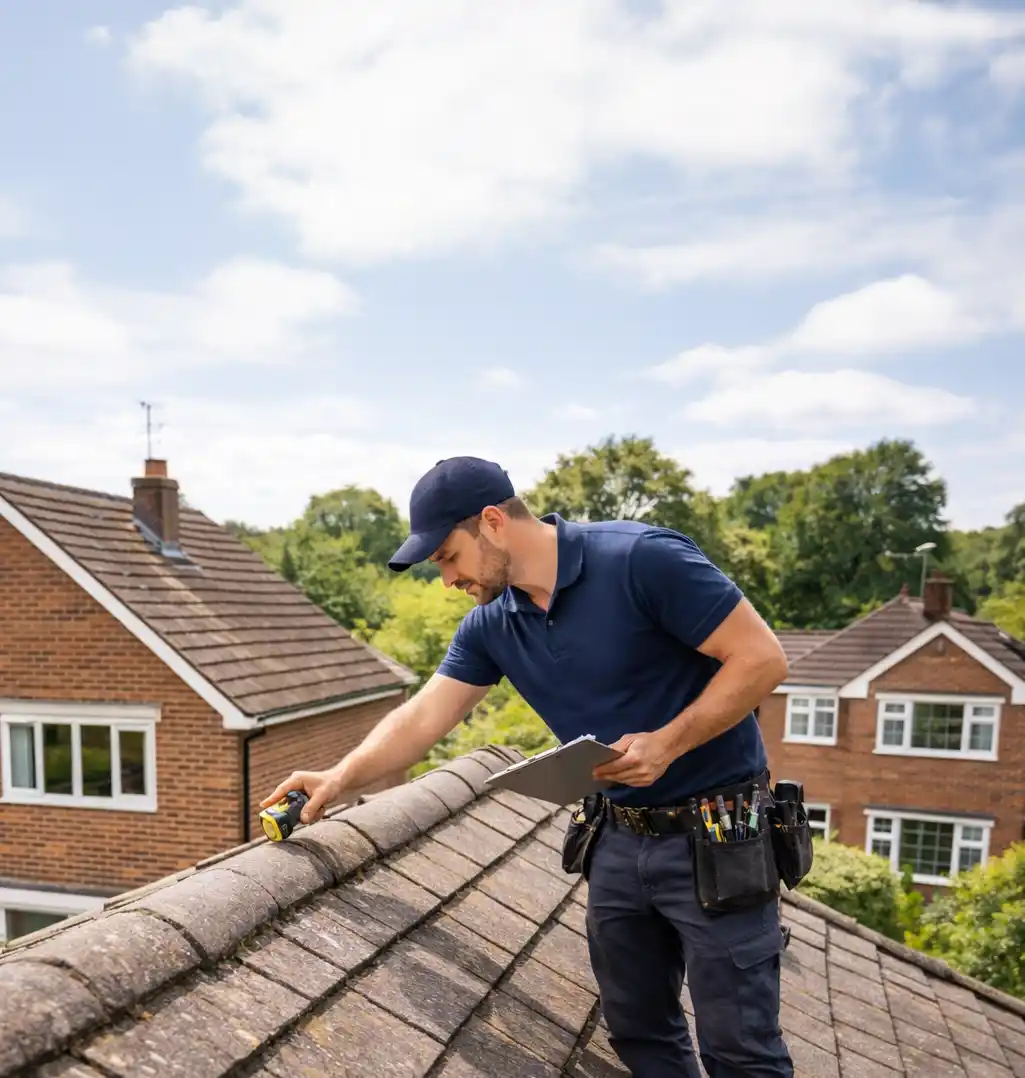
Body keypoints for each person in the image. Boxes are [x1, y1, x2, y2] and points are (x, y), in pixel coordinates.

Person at [261, 456, 794, 1078]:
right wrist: (339, 777)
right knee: (640, 1033)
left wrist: (670, 742)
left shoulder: (642, 560)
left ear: (492, 522)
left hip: (717, 834)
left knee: (739, 1050)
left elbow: (762, 659)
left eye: (449, 558)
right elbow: (425, 716)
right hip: (618, 840)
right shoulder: (492, 625)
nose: (447, 580)